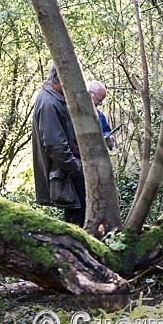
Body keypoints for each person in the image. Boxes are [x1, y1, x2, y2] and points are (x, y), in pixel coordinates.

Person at [32, 64, 86, 226]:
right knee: (77, 222)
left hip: (66, 172)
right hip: (65, 174)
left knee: (79, 218)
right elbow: (55, 146)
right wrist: (75, 169)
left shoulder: (55, 98)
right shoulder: (49, 102)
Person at [86, 80, 115, 151]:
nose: (100, 104)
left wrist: (109, 139)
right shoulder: (72, 111)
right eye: (99, 100)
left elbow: (107, 131)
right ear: (90, 94)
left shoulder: (100, 115)